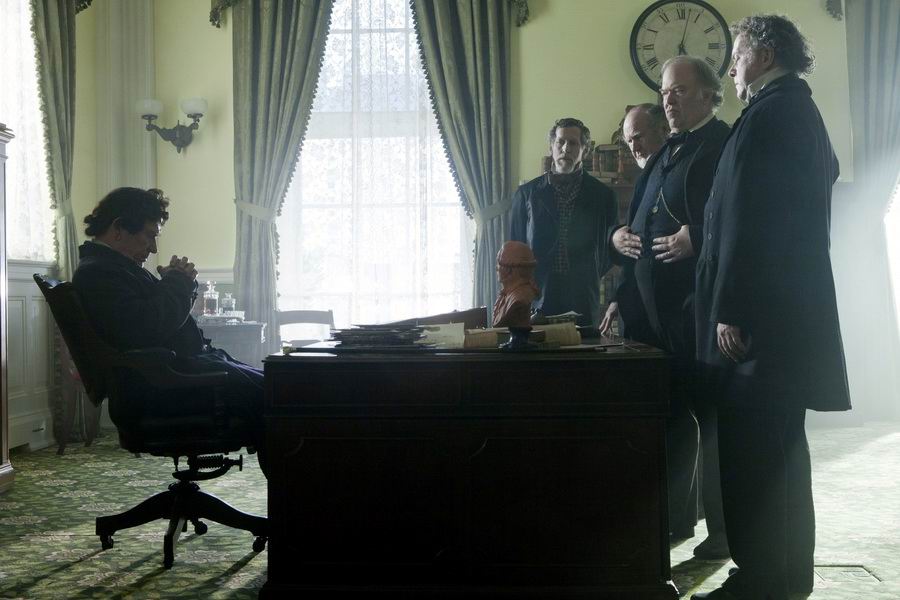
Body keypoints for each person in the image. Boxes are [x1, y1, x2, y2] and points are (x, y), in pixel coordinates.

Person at [691, 15, 851, 600]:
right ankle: (779, 577)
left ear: (762, 55)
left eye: (736, 57)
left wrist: (733, 307)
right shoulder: (792, 109)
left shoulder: (774, 112)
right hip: (777, 316)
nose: (732, 69)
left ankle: (765, 581)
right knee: (773, 453)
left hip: (760, 324)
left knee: (760, 457)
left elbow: (755, 219)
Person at [601, 56, 732, 559]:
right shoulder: (662, 156)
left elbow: (741, 218)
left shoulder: (723, 143)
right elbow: (634, 229)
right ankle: (677, 520)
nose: (669, 99)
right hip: (655, 323)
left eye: (678, 90)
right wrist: (617, 238)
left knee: (714, 426)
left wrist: (696, 236)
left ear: (708, 93)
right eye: (664, 91)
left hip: (698, 315)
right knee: (673, 422)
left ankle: (723, 533)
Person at [72, 187, 268, 477]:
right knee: (279, 400)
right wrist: (177, 282)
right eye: (149, 235)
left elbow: (152, 321)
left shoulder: (112, 267)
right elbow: (147, 329)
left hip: (172, 381)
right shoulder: (99, 273)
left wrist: (174, 284)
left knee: (280, 388)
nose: (153, 248)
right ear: (119, 228)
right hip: (165, 389)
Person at [509, 118, 617, 328]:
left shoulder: (603, 195)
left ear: (584, 150)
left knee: (583, 349)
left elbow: (609, 251)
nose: (566, 148)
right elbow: (516, 248)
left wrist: (588, 272)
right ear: (551, 146)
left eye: (573, 143)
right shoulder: (526, 194)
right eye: (560, 142)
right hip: (537, 296)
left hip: (584, 296)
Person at [492, 241, 540, 328]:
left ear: (508, 269)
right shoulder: (508, 294)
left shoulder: (519, 299)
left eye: (499, 264)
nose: (496, 268)